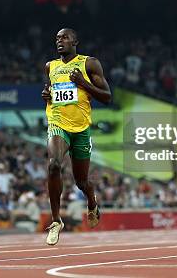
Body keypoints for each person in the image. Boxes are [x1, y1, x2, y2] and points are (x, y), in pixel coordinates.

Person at [42, 28, 112, 245]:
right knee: (54, 165)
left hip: (81, 128)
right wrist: (47, 96)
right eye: (57, 38)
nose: (59, 41)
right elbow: (53, 93)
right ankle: (56, 221)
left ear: (75, 41)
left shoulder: (89, 63)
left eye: (64, 38)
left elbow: (108, 97)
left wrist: (83, 82)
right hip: (57, 123)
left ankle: (92, 202)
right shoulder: (50, 67)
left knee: (81, 181)